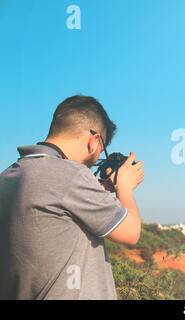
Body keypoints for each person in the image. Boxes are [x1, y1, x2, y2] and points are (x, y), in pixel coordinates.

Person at [0, 95, 145, 299]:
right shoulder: (71, 174)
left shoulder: (9, 175)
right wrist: (125, 187)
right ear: (93, 141)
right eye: (101, 151)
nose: (96, 158)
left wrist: (101, 189)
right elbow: (131, 233)